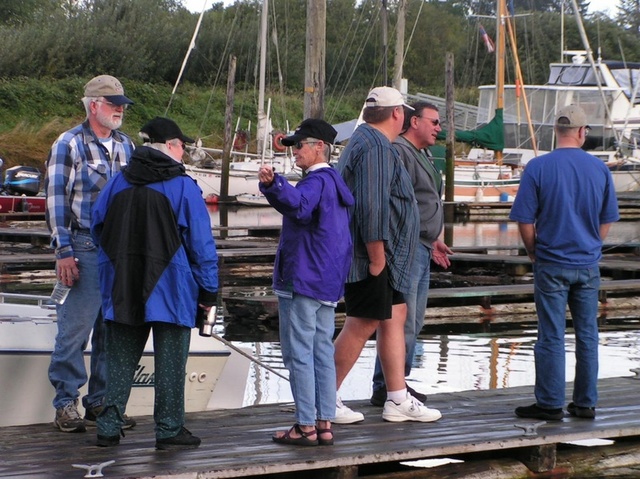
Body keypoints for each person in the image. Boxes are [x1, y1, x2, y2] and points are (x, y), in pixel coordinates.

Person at [90, 117, 219, 450]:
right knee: (171, 361)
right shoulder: (184, 187)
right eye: (183, 145)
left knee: (119, 358)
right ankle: (169, 430)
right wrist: (208, 290)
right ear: (172, 146)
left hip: (122, 283)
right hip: (171, 285)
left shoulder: (117, 182)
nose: (185, 151)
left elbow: (97, 227)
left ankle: (108, 426)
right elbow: (201, 245)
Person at [334, 86, 442, 424]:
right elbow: (372, 204)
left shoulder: (364, 140)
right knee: (362, 321)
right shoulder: (377, 147)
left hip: (388, 253)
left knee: (395, 315)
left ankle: (397, 397)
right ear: (397, 114)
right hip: (374, 255)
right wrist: (378, 257)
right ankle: (324, 396)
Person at [510, 105, 619, 421]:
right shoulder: (600, 170)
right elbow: (607, 219)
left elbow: (524, 219)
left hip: (551, 263)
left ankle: (550, 403)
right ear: (583, 133)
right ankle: (585, 404)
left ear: (556, 132)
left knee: (551, 334)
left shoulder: (538, 167)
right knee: (588, 334)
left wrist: (533, 250)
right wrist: (593, 246)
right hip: (587, 264)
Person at [45, 74, 136, 433]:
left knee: (112, 330)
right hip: (82, 247)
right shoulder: (67, 143)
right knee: (75, 330)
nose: (119, 110)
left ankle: (99, 402)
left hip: (120, 250)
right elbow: (54, 202)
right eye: (113, 103)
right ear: (93, 105)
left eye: (122, 105)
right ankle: (65, 403)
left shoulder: (127, 145)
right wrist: (62, 251)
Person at [258, 118, 354, 446]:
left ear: (319, 147)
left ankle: (304, 425)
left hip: (303, 279)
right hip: (327, 282)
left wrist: (274, 185)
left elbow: (298, 207)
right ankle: (324, 423)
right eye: (294, 146)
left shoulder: (314, 182)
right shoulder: (335, 183)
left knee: (298, 353)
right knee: (321, 352)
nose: (295, 151)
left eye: (300, 145)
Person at [370, 102, 453, 407]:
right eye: (433, 122)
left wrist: (435, 239)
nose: (438, 128)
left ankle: (395, 384)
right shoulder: (400, 152)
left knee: (413, 322)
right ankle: (389, 387)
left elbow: (426, 201)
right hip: (406, 248)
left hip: (423, 246)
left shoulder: (422, 154)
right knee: (400, 321)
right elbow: (395, 202)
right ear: (413, 121)